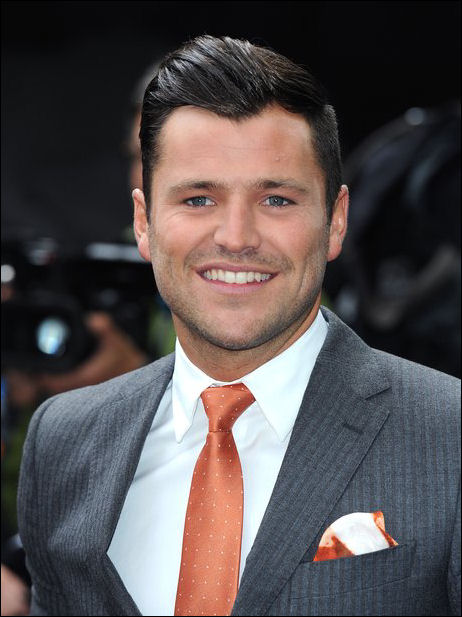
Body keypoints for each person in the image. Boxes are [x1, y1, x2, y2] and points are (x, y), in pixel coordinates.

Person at [17, 35, 460, 617]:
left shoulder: (448, 436)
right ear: (144, 222)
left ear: (335, 221)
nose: (235, 237)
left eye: (276, 200)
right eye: (198, 199)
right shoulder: (61, 440)